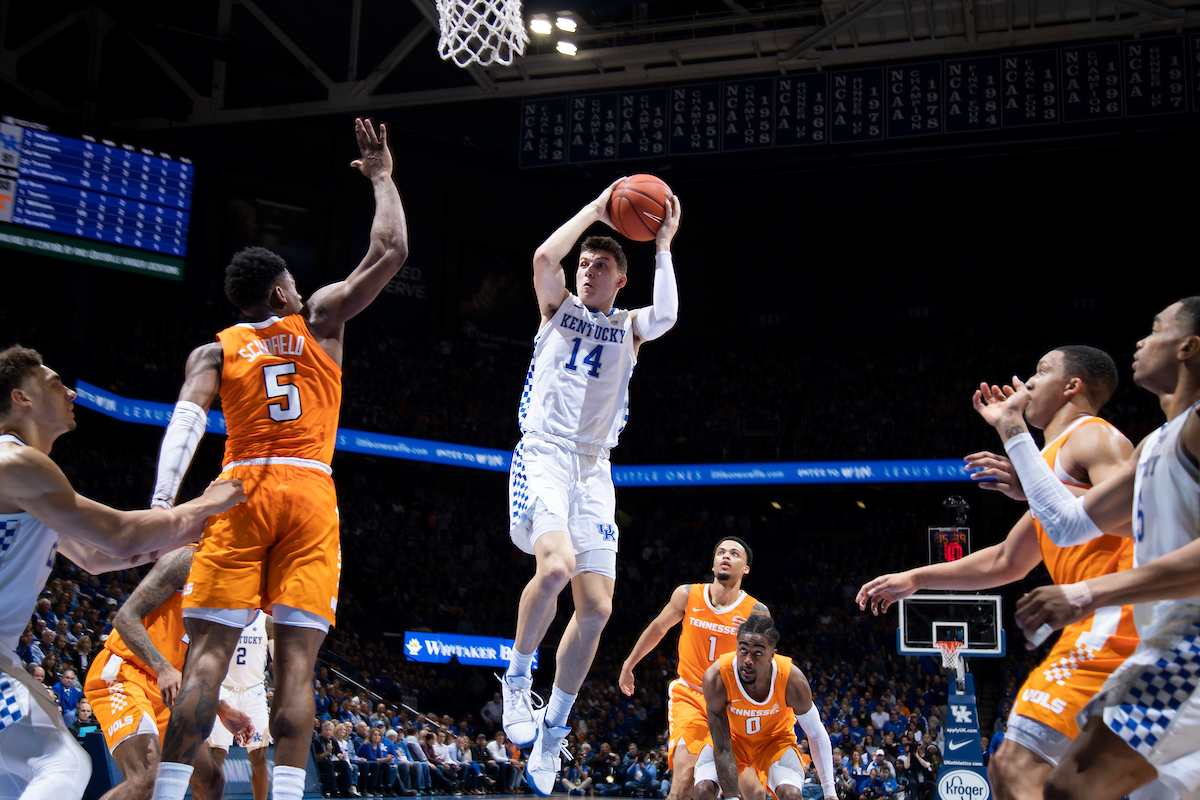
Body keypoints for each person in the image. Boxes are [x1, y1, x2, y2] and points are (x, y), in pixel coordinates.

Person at [148, 117, 409, 800]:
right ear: (284, 294)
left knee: (203, 659)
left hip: (236, 489)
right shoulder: (319, 319)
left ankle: (169, 794)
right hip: (309, 491)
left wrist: (160, 506)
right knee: (295, 668)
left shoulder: (216, 349)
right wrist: (381, 177)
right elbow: (391, 250)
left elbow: (184, 421)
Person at [856, 346, 1138, 800]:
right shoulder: (1052, 466)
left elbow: (1132, 517)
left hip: (1115, 620)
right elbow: (1008, 560)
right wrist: (916, 578)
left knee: (1013, 767)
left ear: (1073, 386)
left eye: (1041, 371)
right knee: (1073, 784)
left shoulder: (1094, 438)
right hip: (1090, 625)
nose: (1027, 382)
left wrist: (1036, 482)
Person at [974, 298, 1200, 800]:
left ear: (1189, 347)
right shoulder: (1156, 444)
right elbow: (1068, 522)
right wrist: (1013, 433)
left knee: (1062, 783)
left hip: (1184, 644)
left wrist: (1086, 594)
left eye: (1157, 329)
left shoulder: (1111, 435)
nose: (1141, 341)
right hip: (1160, 637)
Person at [501, 179, 682, 797]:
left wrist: (662, 246)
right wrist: (598, 210)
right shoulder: (556, 308)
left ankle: (553, 730)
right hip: (544, 454)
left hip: (594, 469)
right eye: (586, 263)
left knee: (598, 609)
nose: (587, 270)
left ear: (620, 279)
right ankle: (516, 679)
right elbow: (542, 260)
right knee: (553, 571)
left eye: (601, 266)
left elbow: (669, 316)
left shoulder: (631, 325)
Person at [0, 345, 246, 798]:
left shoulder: (26, 477)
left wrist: (191, 524)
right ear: (22, 399)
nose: (71, 391)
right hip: (45, 662)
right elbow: (118, 535)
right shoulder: (16, 463)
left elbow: (98, 557)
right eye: (56, 383)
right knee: (63, 765)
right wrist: (204, 504)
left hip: (6, 655)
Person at [84, 546, 254, 800]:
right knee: (147, 779)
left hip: (172, 688)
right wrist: (161, 667)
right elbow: (125, 618)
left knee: (211, 782)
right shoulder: (189, 559)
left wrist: (220, 707)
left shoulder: (247, 592)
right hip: (125, 672)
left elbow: (198, 661)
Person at [619, 537, 769, 800]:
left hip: (733, 702)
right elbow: (658, 628)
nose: (725, 556)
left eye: (734, 554)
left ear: (745, 568)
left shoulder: (756, 612)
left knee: (754, 791)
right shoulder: (688, 595)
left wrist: (746, 645)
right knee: (684, 780)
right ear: (713, 564)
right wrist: (629, 664)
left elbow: (766, 672)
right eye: (720, 552)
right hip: (691, 696)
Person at [693, 616, 837, 800]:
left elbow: (816, 734)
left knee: (791, 795)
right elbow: (722, 748)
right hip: (732, 740)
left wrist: (830, 792)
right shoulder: (717, 677)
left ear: (772, 655)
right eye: (743, 650)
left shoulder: (792, 680)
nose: (748, 659)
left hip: (775, 742)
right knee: (702, 791)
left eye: (757, 653)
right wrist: (731, 797)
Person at [207, 610, 273, 800]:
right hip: (223, 690)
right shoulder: (220, 615)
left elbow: (279, 663)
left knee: (259, 758)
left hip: (254, 692)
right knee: (216, 755)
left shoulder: (267, 622)